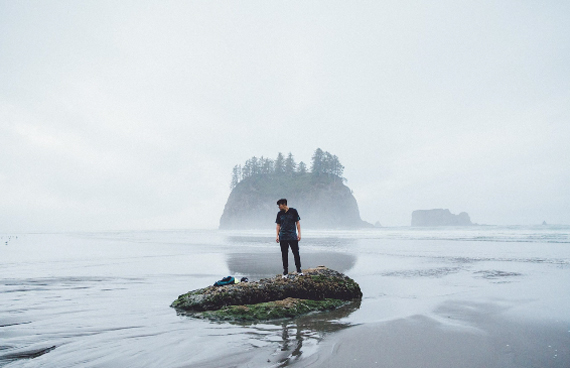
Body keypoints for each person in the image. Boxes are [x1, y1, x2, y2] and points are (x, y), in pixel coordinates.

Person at [275, 198, 303, 279]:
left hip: (292, 236)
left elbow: (297, 223)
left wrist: (299, 234)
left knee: (296, 253)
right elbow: (278, 225)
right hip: (283, 237)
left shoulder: (293, 211)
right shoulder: (279, 214)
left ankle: (299, 270)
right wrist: (277, 235)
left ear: (284, 204)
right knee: (284, 254)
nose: (278, 207)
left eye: (279, 205)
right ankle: (285, 272)